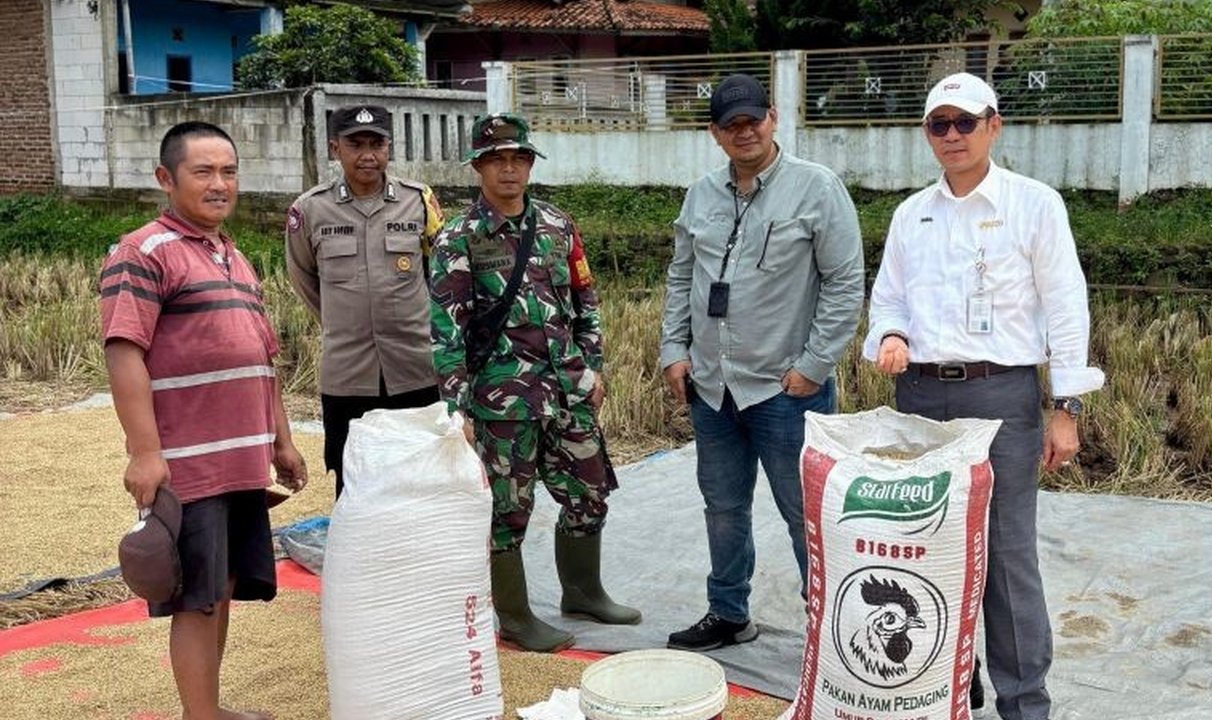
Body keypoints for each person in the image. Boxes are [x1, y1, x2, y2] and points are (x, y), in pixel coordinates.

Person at [864, 72, 1106, 720]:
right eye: (938, 124)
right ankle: (948, 687)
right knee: (928, 547)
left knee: (1005, 557)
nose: (951, 135)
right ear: (926, 134)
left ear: (993, 126)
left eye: (964, 122)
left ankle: (1025, 702)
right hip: (920, 398)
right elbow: (887, 300)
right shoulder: (911, 214)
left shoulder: (1034, 205)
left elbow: (1065, 310)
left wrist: (1067, 408)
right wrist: (889, 335)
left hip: (1002, 398)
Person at [100, 121, 308, 720]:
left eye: (229, 172)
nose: (220, 184)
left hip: (239, 459)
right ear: (167, 179)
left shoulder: (233, 255)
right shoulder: (140, 252)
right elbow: (124, 351)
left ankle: (209, 709)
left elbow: (260, 356)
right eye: (203, 172)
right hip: (190, 462)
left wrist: (282, 440)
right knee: (195, 598)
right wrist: (145, 452)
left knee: (218, 593)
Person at [660, 74, 865, 651]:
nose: (744, 131)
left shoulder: (816, 188)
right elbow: (682, 275)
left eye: (753, 119)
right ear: (714, 134)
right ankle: (728, 612)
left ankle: (830, 627)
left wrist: (815, 366)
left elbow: (845, 283)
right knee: (722, 507)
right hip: (712, 387)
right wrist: (674, 349)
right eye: (731, 125)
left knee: (807, 514)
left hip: (785, 389)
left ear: (773, 118)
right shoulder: (700, 194)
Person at [429, 113, 640, 653]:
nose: (508, 169)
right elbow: (445, 330)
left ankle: (583, 591)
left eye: (518, 158)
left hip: (568, 391)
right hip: (503, 401)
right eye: (497, 159)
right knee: (507, 513)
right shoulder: (459, 237)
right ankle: (517, 617)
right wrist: (458, 408)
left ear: (529, 164)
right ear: (478, 166)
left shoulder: (557, 225)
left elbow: (584, 300)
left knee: (589, 493)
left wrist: (593, 366)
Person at [285, 105, 446, 498]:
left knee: (421, 475)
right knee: (352, 478)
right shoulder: (310, 209)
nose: (368, 154)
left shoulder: (418, 201)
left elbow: (440, 274)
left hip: (415, 368)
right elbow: (303, 276)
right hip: (347, 375)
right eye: (356, 144)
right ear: (335, 148)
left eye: (377, 143)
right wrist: (343, 321)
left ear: (389, 147)